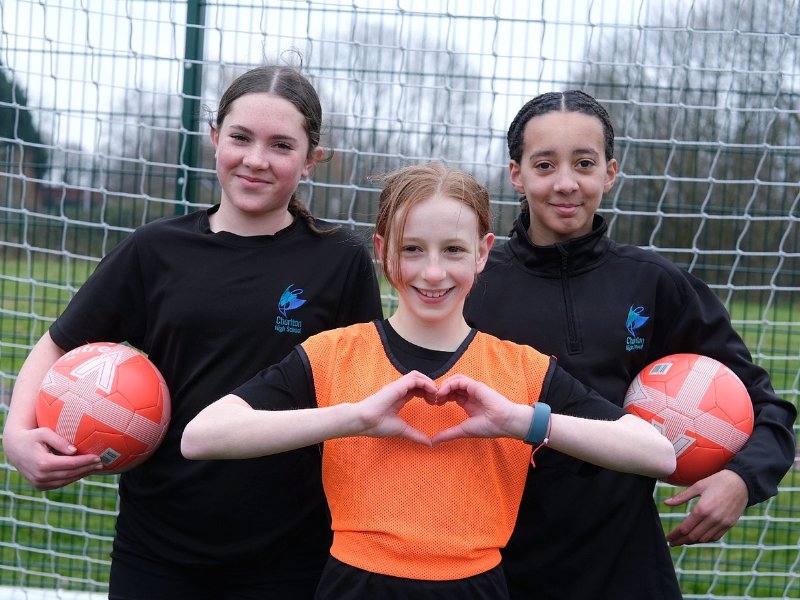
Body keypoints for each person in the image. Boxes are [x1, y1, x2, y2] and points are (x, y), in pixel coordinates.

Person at [181, 161, 676, 600]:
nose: (433, 272)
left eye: (454, 250)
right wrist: (353, 417)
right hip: (353, 583)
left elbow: (656, 453)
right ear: (382, 251)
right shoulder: (333, 354)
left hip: (478, 585)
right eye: (412, 249)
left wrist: (521, 421)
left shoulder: (520, 370)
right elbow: (201, 436)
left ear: (483, 254)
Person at [2, 65, 384, 599]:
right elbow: (57, 345)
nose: (255, 159)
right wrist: (17, 435)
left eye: (280, 145)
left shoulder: (339, 260)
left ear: (312, 159)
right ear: (213, 138)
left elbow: (359, 391)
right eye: (240, 138)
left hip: (290, 551)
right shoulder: (155, 250)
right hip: (157, 546)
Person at [463, 90, 798, 600]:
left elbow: (763, 402)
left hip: (624, 566)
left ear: (610, 172)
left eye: (584, 163)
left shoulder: (654, 284)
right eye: (545, 164)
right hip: (493, 567)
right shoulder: (474, 285)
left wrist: (743, 481)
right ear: (517, 174)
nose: (566, 183)